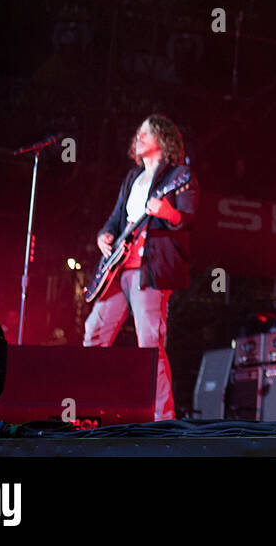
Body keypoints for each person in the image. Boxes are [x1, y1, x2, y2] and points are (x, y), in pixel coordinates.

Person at [83, 115, 199, 421]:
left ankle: (164, 420)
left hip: (150, 271)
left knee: (149, 346)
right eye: (139, 132)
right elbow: (115, 219)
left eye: (146, 132)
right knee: (93, 333)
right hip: (119, 270)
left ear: (163, 139)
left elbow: (188, 218)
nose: (139, 136)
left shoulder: (180, 175)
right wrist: (103, 236)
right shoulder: (132, 177)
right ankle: (88, 409)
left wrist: (168, 212)